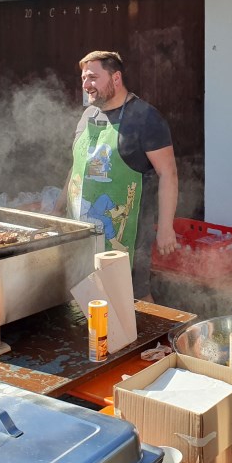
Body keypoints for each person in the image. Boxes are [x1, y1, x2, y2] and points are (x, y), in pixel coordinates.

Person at [57, 50, 178, 302]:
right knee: (85, 292)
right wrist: (58, 208)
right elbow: (77, 166)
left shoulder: (145, 118)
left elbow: (169, 173)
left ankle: (152, 342)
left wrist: (166, 227)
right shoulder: (87, 115)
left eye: (92, 77)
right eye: (83, 78)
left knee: (134, 298)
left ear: (116, 78)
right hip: (81, 229)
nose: (85, 84)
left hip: (126, 235)